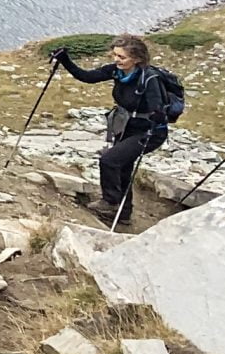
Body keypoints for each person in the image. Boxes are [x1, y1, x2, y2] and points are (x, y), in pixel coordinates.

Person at [53, 34, 180, 228]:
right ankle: (123, 214)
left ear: (137, 59)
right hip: (126, 127)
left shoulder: (149, 78)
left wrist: (157, 116)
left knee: (109, 160)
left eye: (121, 57)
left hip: (149, 133)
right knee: (123, 167)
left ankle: (110, 203)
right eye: (115, 55)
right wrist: (65, 60)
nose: (116, 60)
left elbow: (158, 107)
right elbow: (87, 77)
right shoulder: (116, 72)